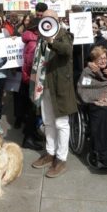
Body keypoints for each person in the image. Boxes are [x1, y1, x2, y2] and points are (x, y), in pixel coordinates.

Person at [30, 10, 77, 178]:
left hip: (59, 87)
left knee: (61, 124)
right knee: (48, 122)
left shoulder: (65, 35)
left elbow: (67, 50)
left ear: (57, 20)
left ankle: (61, 159)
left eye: (50, 19)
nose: (46, 22)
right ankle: (50, 153)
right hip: (44, 86)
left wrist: (51, 41)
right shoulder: (41, 36)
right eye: (43, 19)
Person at [20, 17, 42, 150]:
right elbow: (30, 64)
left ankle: (32, 134)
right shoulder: (34, 42)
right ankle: (28, 139)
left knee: (33, 110)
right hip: (32, 80)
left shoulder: (33, 40)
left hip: (31, 79)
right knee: (32, 110)